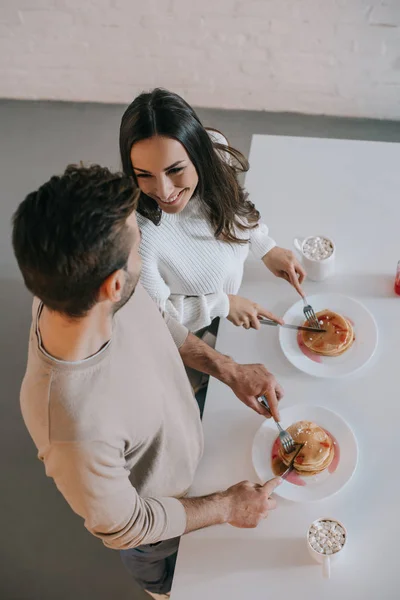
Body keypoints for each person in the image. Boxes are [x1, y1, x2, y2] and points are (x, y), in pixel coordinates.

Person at [13, 165, 284, 599]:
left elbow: (156, 319)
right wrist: (228, 506)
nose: (145, 244)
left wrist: (227, 369)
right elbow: (127, 526)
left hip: (194, 454)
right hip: (166, 542)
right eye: (138, 243)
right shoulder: (71, 428)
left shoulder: (75, 287)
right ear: (114, 285)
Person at [119, 88, 306, 336]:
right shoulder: (139, 238)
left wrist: (264, 246)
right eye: (144, 175)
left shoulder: (215, 150)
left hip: (236, 300)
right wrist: (223, 305)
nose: (163, 191)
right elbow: (157, 318)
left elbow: (233, 204)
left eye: (175, 170)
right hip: (193, 329)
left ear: (199, 155)